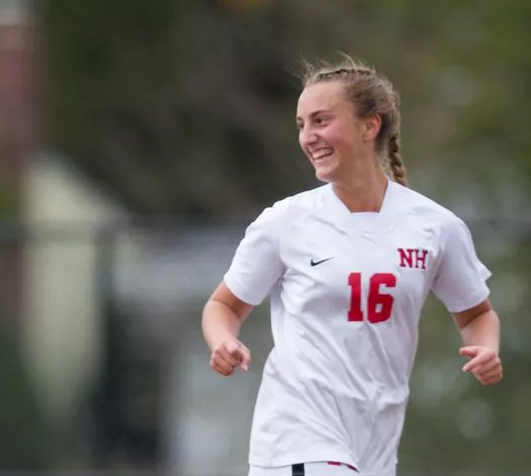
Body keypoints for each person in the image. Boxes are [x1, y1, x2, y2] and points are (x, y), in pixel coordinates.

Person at [201, 57, 502, 476]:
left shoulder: (435, 227)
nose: (308, 137)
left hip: (376, 446)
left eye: (321, 120)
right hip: (300, 437)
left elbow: (477, 313)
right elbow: (225, 305)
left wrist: (486, 348)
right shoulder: (286, 222)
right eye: (301, 125)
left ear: (369, 125)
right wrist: (222, 340)